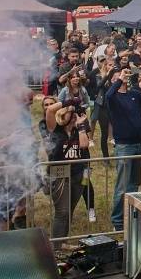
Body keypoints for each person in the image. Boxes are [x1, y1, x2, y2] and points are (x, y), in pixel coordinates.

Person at [106, 65, 141, 231]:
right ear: (113, 81)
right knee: (122, 185)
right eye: (117, 77)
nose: (122, 77)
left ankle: (129, 215)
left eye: (124, 75)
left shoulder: (133, 94)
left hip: (138, 145)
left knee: (134, 183)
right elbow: (108, 95)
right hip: (124, 146)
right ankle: (117, 222)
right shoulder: (113, 98)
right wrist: (120, 79)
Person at [48, 102, 91, 239]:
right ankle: (56, 246)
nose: (73, 116)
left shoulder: (78, 130)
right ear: (63, 113)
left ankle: (63, 241)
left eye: (75, 114)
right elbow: (50, 110)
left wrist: (81, 125)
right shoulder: (55, 129)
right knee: (62, 212)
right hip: (60, 174)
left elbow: (84, 145)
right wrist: (69, 103)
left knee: (69, 210)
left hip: (78, 174)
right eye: (70, 113)